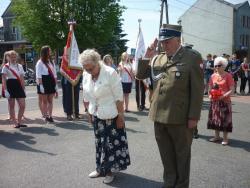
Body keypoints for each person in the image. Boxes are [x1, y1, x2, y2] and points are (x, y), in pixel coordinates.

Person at [138, 24, 204, 188]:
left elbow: (197, 90)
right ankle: (169, 183)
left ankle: (181, 185)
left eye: (167, 41)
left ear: (177, 39)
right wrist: (147, 55)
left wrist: (194, 117)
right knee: (166, 155)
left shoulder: (192, 57)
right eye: (162, 42)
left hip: (180, 117)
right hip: (158, 116)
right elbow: (140, 75)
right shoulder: (157, 57)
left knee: (182, 156)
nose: (164, 45)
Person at [79, 49, 130, 184]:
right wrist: (88, 112)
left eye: (91, 68)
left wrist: (120, 116)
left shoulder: (110, 73)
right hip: (96, 114)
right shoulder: (86, 73)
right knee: (99, 143)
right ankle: (100, 168)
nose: (89, 71)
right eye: (86, 69)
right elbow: (86, 94)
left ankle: (109, 171)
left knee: (110, 145)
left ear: (98, 63)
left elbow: (119, 97)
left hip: (111, 115)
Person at [207, 57, 234, 145]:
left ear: (224, 66)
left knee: (225, 120)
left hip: (225, 101)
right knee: (215, 119)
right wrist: (210, 95)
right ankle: (217, 136)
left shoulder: (228, 75)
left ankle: (225, 138)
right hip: (215, 101)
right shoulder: (213, 76)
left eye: (219, 65)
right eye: (215, 65)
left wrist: (223, 96)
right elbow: (210, 88)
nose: (217, 67)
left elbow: (232, 90)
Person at [1, 50, 27, 128]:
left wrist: (24, 88)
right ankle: (15, 123)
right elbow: (4, 79)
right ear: (8, 57)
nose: (13, 58)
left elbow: (22, 78)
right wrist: (5, 90)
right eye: (11, 57)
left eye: (14, 56)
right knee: (12, 106)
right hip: (10, 85)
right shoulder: (6, 66)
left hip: (18, 85)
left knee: (22, 105)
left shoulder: (19, 66)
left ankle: (19, 121)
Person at [36, 46, 58, 123]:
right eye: (49, 50)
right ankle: (45, 116)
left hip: (51, 81)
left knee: (50, 100)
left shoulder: (51, 61)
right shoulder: (40, 62)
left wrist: (56, 84)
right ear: (45, 52)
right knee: (44, 101)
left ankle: (50, 115)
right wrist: (41, 85)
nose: (50, 52)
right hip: (43, 81)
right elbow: (38, 75)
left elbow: (54, 74)